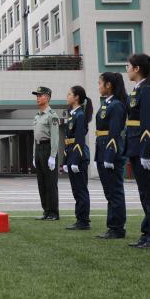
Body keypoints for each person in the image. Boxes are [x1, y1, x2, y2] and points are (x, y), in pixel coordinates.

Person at [125, 53, 150, 249]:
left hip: (143, 148)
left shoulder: (147, 91)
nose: (127, 69)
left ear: (137, 69)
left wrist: (146, 152)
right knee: (144, 193)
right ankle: (148, 232)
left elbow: (148, 124)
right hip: (135, 146)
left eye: (128, 66)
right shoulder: (138, 90)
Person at [94, 72, 128, 239]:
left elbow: (114, 133)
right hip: (102, 149)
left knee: (115, 191)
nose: (99, 86)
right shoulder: (107, 103)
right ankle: (112, 225)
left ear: (109, 85)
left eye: (100, 83)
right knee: (109, 192)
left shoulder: (116, 105)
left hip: (110, 151)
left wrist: (109, 156)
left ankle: (117, 227)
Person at [63, 85, 92, 230]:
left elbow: (79, 139)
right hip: (72, 155)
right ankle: (80, 218)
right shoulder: (72, 114)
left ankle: (83, 220)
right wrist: (65, 160)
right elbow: (68, 140)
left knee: (81, 189)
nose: (67, 96)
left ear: (76, 97)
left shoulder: (80, 115)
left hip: (78, 157)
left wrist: (74, 160)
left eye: (70, 94)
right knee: (76, 190)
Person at [31, 86, 61, 220]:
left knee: (50, 183)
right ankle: (46, 211)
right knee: (41, 183)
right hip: (39, 149)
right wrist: (34, 155)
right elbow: (35, 137)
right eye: (37, 96)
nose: (37, 98)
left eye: (40, 95)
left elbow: (55, 137)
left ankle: (54, 213)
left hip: (48, 148)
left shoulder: (52, 115)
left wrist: (53, 156)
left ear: (47, 97)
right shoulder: (37, 116)